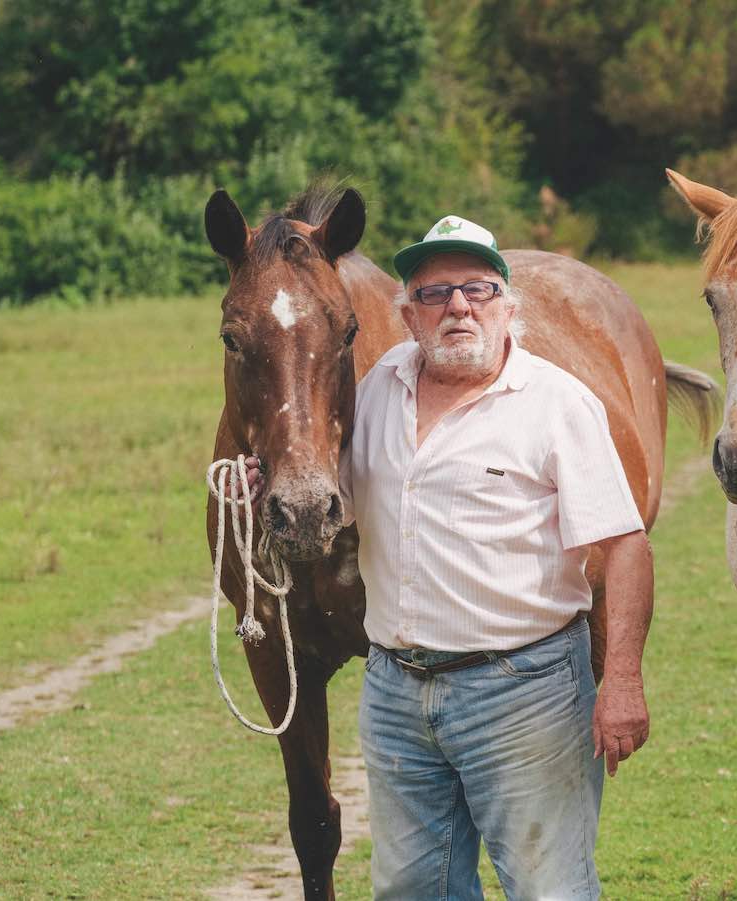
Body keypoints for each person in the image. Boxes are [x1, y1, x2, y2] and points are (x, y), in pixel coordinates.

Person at [247, 216, 653, 899]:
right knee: (413, 890)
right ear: (406, 314)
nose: (458, 306)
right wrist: (259, 486)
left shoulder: (556, 404)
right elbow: (333, 500)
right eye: (436, 294)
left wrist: (621, 680)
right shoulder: (376, 391)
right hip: (398, 697)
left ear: (508, 307)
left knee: (548, 886)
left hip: (524, 693)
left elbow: (626, 546)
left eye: (478, 288)